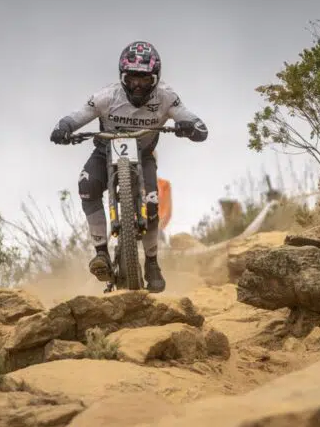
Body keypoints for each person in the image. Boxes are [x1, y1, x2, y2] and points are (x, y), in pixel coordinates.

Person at [49, 41, 208, 293]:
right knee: (86, 186)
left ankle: (152, 264)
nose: (137, 85)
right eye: (132, 78)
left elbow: (194, 122)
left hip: (143, 155)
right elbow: (77, 115)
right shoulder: (106, 96)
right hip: (104, 151)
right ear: (122, 77)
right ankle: (101, 252)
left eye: (144, 80)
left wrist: (191, 128)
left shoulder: (167, 97)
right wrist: (64, 128)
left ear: (155, 79)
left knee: (153, 202)